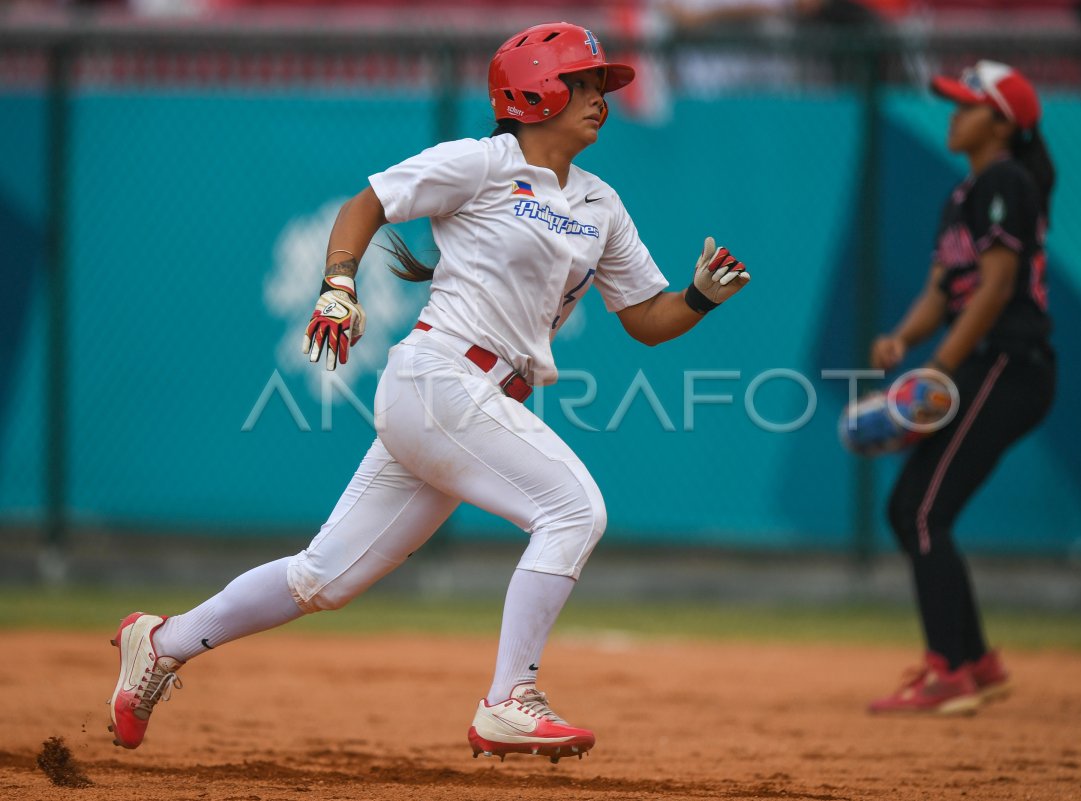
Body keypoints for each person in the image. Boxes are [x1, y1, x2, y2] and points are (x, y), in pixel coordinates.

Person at [106, 21, 750, 761]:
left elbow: (644, 317)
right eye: (584, 82)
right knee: (572, 508)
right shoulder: (480, 163)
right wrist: (339, 286)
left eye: (602, 83)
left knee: (324, 577)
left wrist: (698, 296)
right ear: (534, 89)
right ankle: (509, 698)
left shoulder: (601, 204)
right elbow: (366, 204)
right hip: (440, 377)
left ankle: (159, 642)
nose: (600, 97)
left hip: (476, 402)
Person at [865, 60, 1056, 715]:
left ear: (1001, 123)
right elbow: (943, 290)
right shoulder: (963, 194)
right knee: (915, 509)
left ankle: (950, 669)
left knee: (920, 511)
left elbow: (999, 286)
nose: (953, 115)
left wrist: (937, 368)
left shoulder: (1005, 180)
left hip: (1007, 361)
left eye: (967, 106)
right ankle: (975, 660)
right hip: (985, 362)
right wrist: (902, 339)